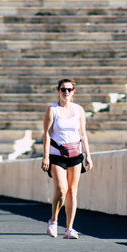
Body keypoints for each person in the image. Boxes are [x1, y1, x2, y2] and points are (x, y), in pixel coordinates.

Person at [41, 78, 93, 239]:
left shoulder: (78, 110)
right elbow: (47, 134)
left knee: (72, 192)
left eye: (69, 90)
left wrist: (88, 155)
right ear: (58, 91)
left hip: (75, 154)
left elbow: (83, 134)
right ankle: (54, 221)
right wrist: (45, 156)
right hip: (56, 155)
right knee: (62, 189)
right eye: (63, 89)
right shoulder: (52, 110)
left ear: (73, 92)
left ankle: (69, 228)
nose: (66, 92)